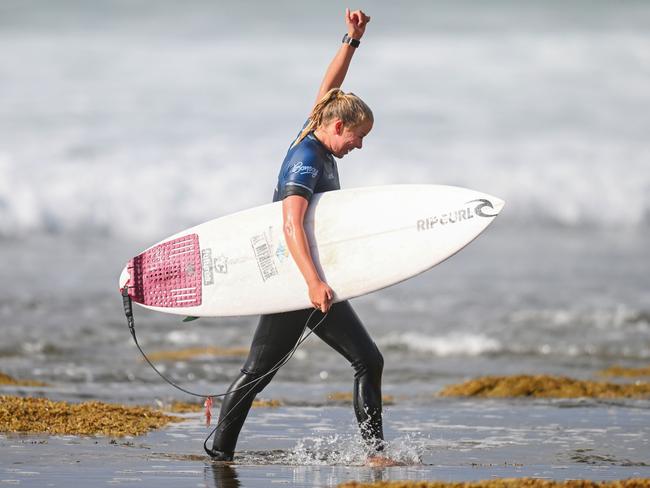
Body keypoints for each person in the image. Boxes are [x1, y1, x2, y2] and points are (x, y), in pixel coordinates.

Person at [207, 8, 393, 466]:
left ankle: (375, 455)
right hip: (295, 282)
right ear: (337, 127)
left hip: (312, 280)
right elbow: (291, 223)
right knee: (258, 372)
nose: (360, 145)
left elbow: (331, 88)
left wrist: (352, 40)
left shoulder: (317, 128)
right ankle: (219, 450)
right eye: (357, 136)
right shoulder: (305, 159)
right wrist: (311, 282)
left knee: (368, 360)